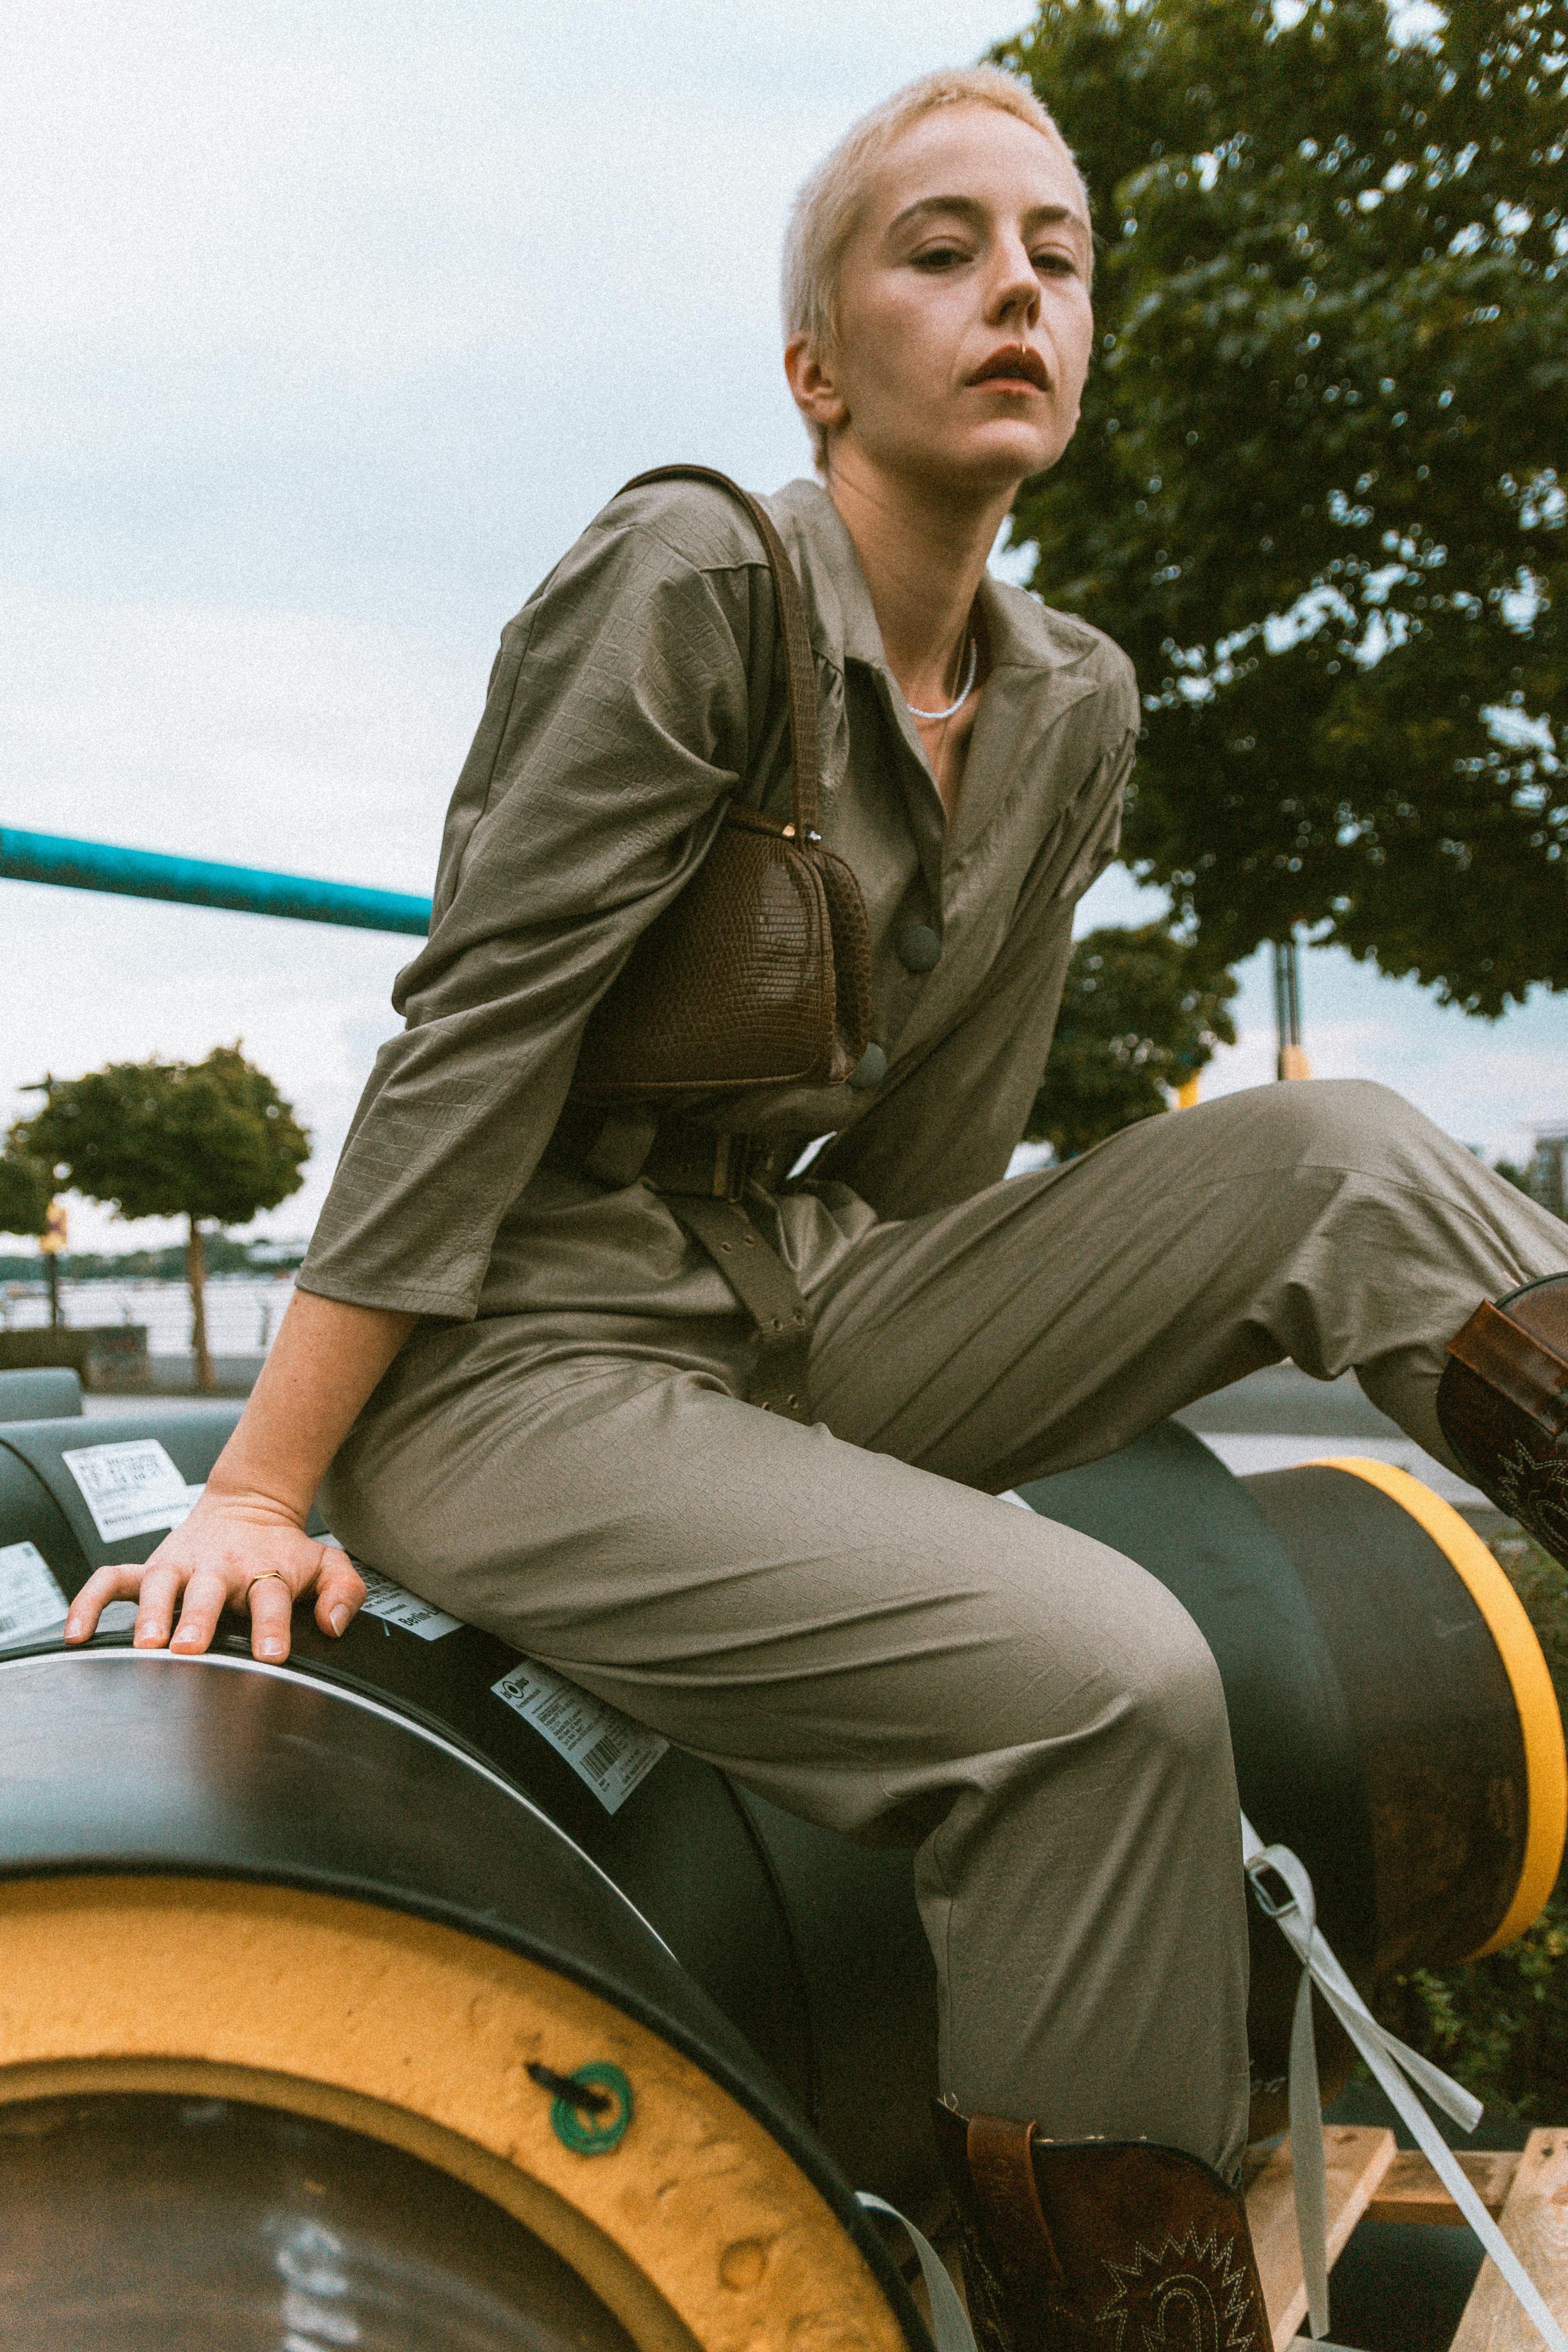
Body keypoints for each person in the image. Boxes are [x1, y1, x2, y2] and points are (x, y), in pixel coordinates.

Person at [63, 64, 1568, 2351]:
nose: (1015, 299)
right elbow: (471, 1042)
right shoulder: (694, 583)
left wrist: (902, 1417)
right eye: (939, 252)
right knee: (1111, 1683)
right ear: (817, 361)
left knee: (1341, 1147)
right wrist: (263, 1484)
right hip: (524, 1365)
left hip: (798, 1307)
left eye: (1059, 260)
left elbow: (936, 1167)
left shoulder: (1072, 699)